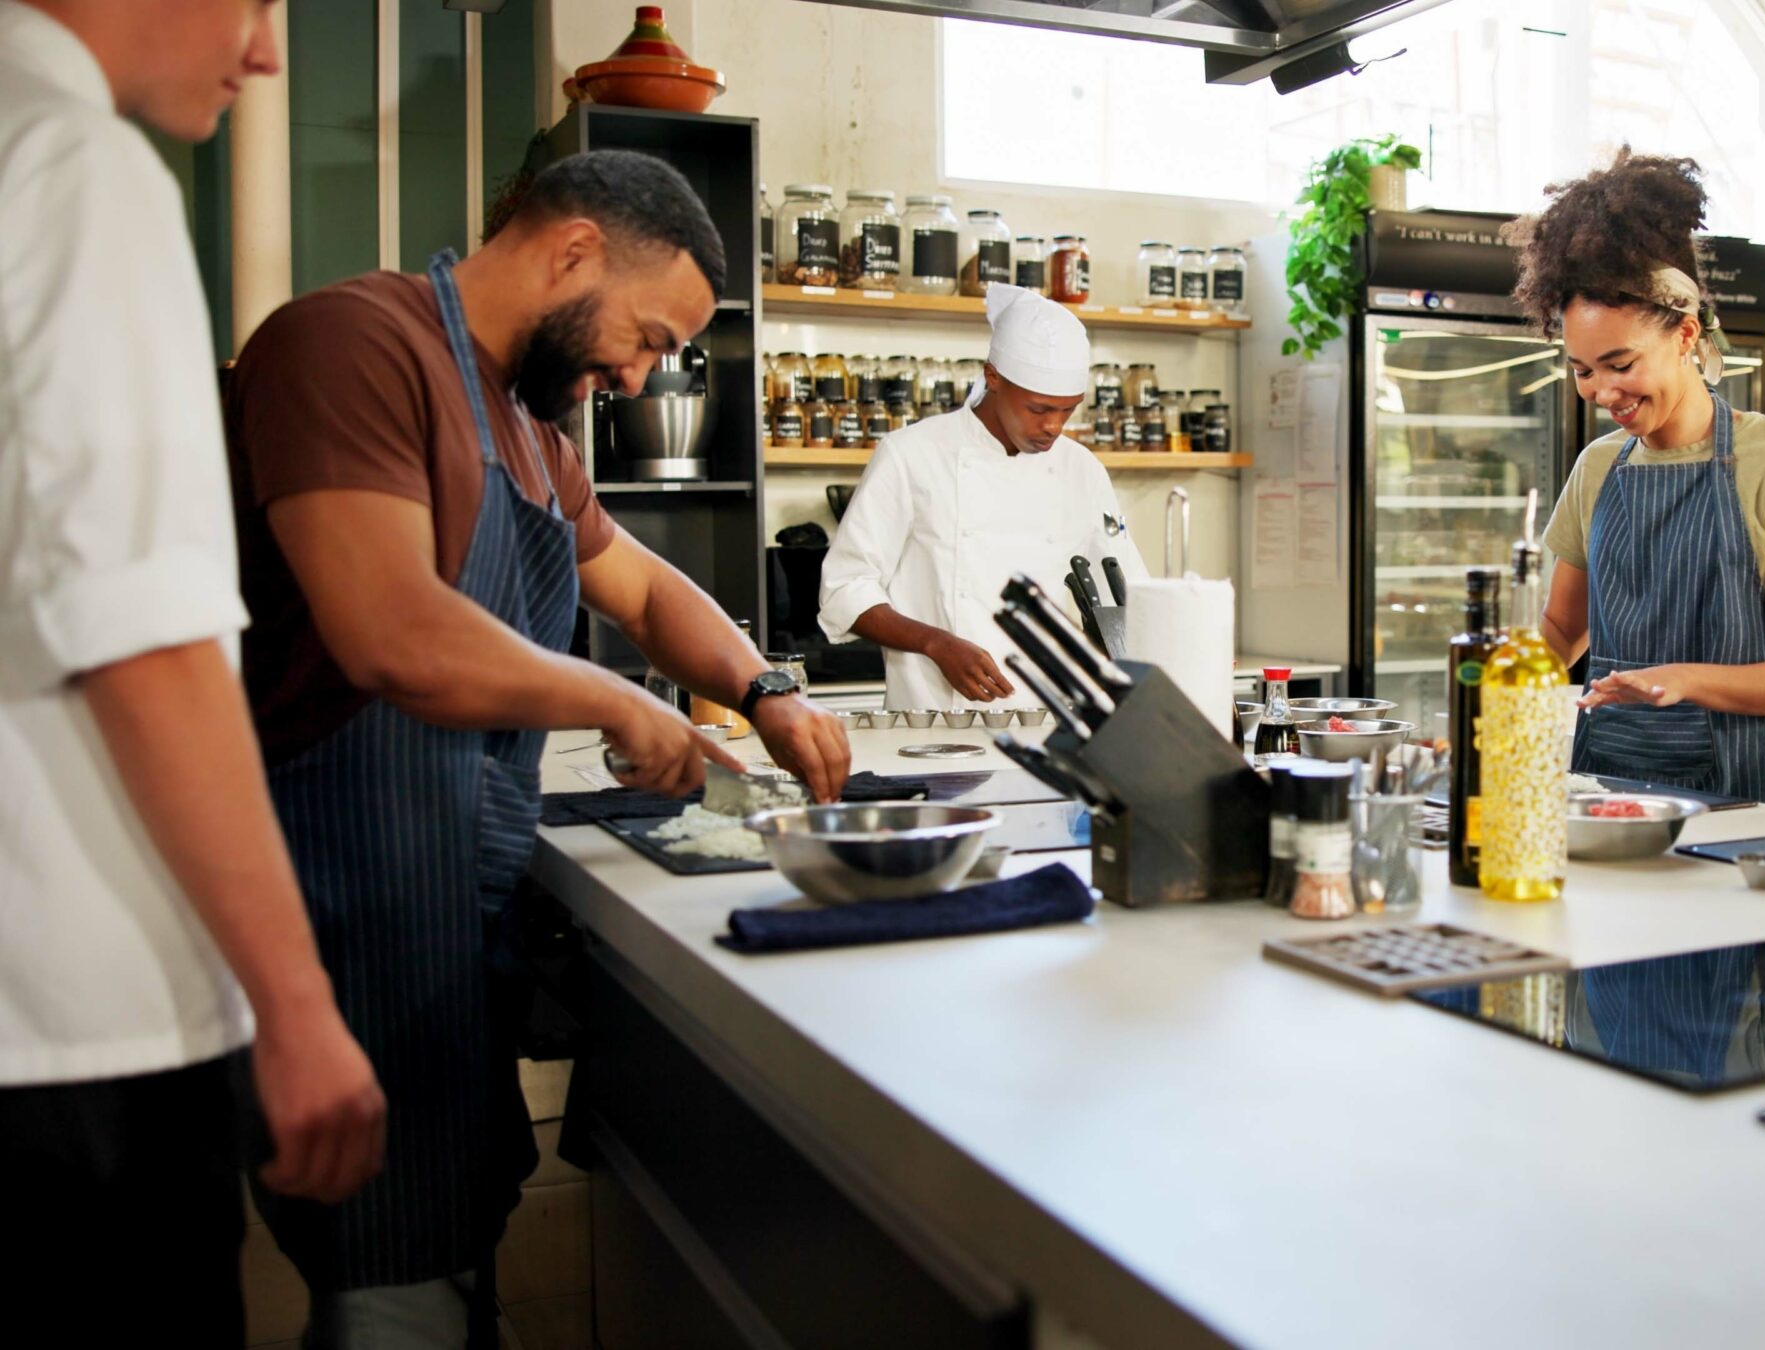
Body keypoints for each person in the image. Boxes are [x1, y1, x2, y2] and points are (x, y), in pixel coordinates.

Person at [223, 150, 849, 1343]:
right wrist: (618, 706)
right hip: (345, 911)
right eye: (649, 336)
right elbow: (391, 632)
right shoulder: (352, 344)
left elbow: (649, 590)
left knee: (445, 1243)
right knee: (388, 1276)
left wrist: (764, 690)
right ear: (570, 251)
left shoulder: (525, 426)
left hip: (452, 903)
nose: (640, 373)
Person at [0, 0, 385, 1342]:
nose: (271, 50)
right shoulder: (75, 165)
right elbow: (146, 636)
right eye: (258, 0)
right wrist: (293, 1002)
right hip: (75, 1042)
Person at [1507, 151, 1765, 811]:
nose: (1601, 390)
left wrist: (1684, 682)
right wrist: (1487, 703)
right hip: (1614, 796)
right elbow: (1560, 629)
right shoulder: (1597, 468)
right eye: (1582, 370)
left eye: (1620, 362)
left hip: (1756, 804)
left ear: (1686, 333)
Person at [819, 283, 1147, 708]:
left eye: (1068, 409)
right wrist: (936, 644)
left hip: (1046, 717)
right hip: (933, 723)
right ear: (993, 377)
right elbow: (846, 588)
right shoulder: (911, 455)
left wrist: (1186, 646)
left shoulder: (1080, 468)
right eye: (1039, 409)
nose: (1054, 426)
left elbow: (1129, 586)